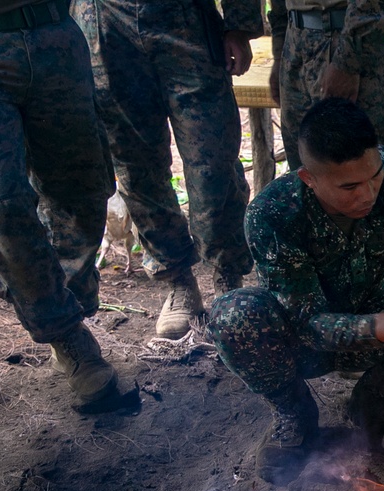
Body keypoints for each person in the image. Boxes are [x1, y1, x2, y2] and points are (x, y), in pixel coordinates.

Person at [208, 99, 384, 486]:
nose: (368, 194)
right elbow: (305, 321)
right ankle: (294, 413)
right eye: (350, 186)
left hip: (374, 313)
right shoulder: (273, 214)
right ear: (309, 179)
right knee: (234, 316)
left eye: (373, 177)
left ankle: (372, 398)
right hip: (305, 340)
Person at [72, 0, 262, 340]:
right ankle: (178, 281)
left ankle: (227, 277)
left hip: (185, 19)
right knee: (135, 164)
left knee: (213, 160)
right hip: (104, 23)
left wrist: (239, 25)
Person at [0, 0, 125, 410]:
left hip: (56, 38)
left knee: (82, 192)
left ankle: (63, 293)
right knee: (3, 201)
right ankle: (66, 334)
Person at [267, 0, 384, 170]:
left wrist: (347, 61)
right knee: (305, 174)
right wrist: (279, 53)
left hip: (352, 46)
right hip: (295, 45)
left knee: (368, 172)